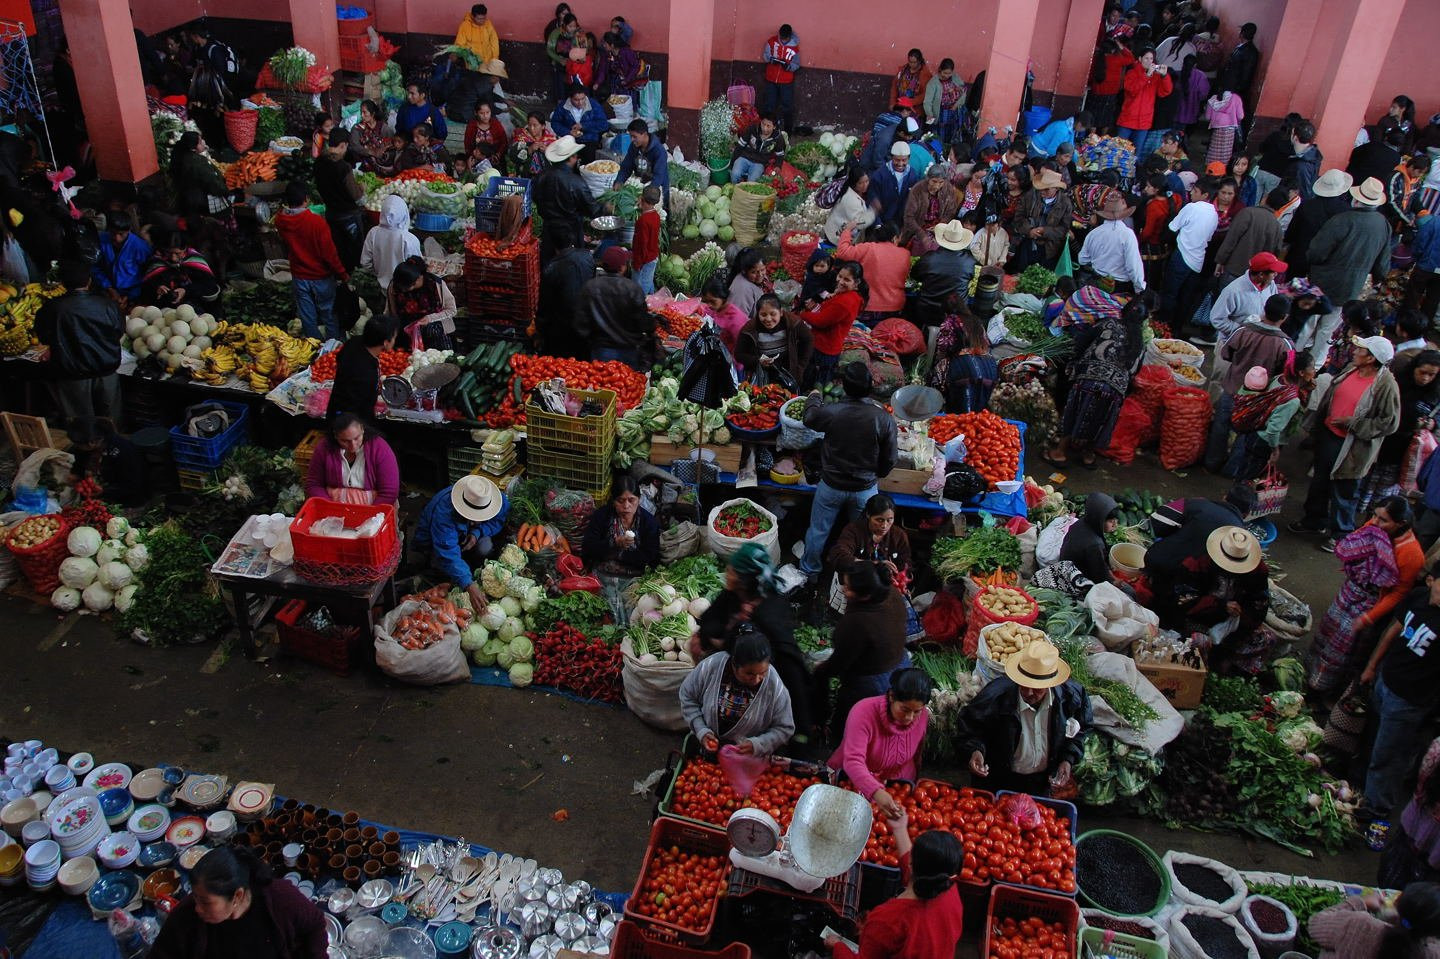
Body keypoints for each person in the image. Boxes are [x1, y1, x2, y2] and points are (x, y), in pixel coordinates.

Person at [693, 542, 813, 745]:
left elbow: (790, 669)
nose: (727, 572)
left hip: (758, 676)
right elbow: (710, 619)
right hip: (734, 665)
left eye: (732, 570)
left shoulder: (769, 614)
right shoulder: (733, 595)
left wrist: (801, 729)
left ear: (744, 580)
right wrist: (708, 638)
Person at [1292, 335, 1402, 547]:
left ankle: (1341, 533)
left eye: (1360, 350)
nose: (1354, 351)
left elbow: (1388, 423)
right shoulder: (1352, 369)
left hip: (1352, 447)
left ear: (1371, 359)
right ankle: (1314, 520)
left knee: (1345, 490)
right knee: (1319, 482)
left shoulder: (1386, 385)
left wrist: (1353, 423)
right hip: (1329, 436)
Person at [792, 362, 898, 579]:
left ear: (844, 386)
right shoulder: (883, 418)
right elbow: (890, 459)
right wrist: (877, 474)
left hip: (831, 485)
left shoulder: (833, 412)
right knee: (862, 535)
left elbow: (809, 418)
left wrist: (814, 397)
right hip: (864, 489)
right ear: (870, 388)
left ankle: (809, 572)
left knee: (818, 531)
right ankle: (857, 576)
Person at [1309, 497, 1424, 695]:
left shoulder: (1411, 554)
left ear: (1401, 523)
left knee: (1345, 651)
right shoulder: (1375, 528)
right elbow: (1356, 541)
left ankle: (1325, 689)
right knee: (1328, 631)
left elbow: (1398, 593)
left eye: (1383, 520)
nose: (1375, 522)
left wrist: (1369, 617)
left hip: (1370, 604)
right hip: (1350, 591)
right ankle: (1311, 672)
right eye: (1374, 515)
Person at [958, 644, 1092, 795]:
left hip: (1041, 782)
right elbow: (970, 726)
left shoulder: (1071, 697)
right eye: (1024, 685)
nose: (1029, 692)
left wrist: (1067, 758)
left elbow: (1083, 727)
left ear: (1050, 684)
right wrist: (975, 751)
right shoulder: (996, 696)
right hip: (998, 779)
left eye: (1037, 688)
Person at [829, 809, 964, 959]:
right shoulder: (951, 892)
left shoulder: (888, 920)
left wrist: (837, 946)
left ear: (912, 864)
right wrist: (899, 829)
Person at [1359, 571, 1440, 821]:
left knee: (1389, 755)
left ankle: (1376, 808)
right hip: (1386, 680)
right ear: (1431, 581)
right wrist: (1372, 666)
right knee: (1374, 738)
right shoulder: (1417, 597)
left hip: (1409, 701)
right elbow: (1394, 630)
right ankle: (1361, 784)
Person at [149, 846, 327, 959]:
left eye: (205, 902)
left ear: (237, 896)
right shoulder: (186, 916)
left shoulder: (281, 899)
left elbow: (315, 924)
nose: (197, 908)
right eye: (195, 897)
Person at [1047, 292, 1151, 469]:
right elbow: (1134, 371)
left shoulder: (1107, 324)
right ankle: (1088, 455)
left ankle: (1060, 452)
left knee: (1073, 410)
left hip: (1090, 379)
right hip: (1115, 389)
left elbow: (1081, 344)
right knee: (1101, 418)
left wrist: (1074, 365)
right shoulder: (1139, 343)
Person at [1303, 177, 1394, 368]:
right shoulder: (1383, 225)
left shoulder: (1342, 220)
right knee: (1328, 327)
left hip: (1322, 280)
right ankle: (1316, 363)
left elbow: (1317, 252)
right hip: (1351, 285)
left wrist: (1312, 262)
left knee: (1308, 321)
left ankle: (1293, 356)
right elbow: (1383, 261)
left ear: (1357, 200)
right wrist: (1378, 279)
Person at [830, 668, 933, 819]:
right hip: (851, 780)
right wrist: (876, 791)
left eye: (916, 711)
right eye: (904, 709)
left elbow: (916, 755)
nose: (910, 717)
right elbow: (853, 760)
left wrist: (909, 785)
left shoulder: (922, 716)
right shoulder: (863, 712)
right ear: (891, 696)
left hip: (895, 786)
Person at [679, 631, 795, 757]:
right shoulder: (712, 666)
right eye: (749, 673)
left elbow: (784, 728)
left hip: (747, 760)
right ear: (734, 665)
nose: (757, 679)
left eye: (763, 672)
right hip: (708, 750)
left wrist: (759, 744)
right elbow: (687, 695)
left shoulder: (774, 685)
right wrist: (701, 729)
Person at [36, 260, 124, 426]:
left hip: (72, 375)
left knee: (81, 426)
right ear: (89, 281)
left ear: (62, 283)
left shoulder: (51, 308)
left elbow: (44, 336)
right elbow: (118, 331)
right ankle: (110, 450)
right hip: (106, 372)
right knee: (111, 424)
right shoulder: (108, 305)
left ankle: (84, 451)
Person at [414, 475, 509, 612]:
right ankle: (454, 568)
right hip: (434, 542)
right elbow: (447, 553)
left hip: (465, 533)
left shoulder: (491, 499)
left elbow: (499, 519)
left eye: (481, 516)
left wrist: (476, 533)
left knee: (485, 547)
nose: (476, 521)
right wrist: (468, 585)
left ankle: (465, 566)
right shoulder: (444, 514)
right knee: (444, 572)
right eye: (473, 516)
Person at [275, 183, 348, 341]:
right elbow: (330, 254)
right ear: (306, 199)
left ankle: (313, 346)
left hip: (300, 276)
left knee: (307, 316)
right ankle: (332, 348)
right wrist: (343, 274)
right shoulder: (316, 223)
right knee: (329, 313)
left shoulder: (281, 220)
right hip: (321, 276)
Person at [581, 475, 660, 619]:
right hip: (604, 575)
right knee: (603, 614)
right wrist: (614, 543)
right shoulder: (602, 516)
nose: (626, 506)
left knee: (634, 614)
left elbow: (651, 557)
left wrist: (620, 554)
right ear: (613, 501)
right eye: (620, 501)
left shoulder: (649, 523)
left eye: (632, 500)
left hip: (635, 578)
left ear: (639, 499)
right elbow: (588, 547)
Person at [1162, 176, 1219, 337]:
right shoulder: (1214, 215)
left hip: (1181, 256)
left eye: (1195, 191)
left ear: (1205, 195)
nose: (1191, 194)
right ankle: (1177, 328)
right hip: (1198, 261)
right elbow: (1208, 238)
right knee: (1186, 296)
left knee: (1170, 292)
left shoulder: (1191, 208)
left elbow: (1173, 227)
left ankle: (1163, 325)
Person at [304, 412, 400, 507]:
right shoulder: (324, 448)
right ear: (336, 436)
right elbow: (314, 484)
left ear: (362, 429)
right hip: (332, 507)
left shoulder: (379, 447)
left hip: (373, 509)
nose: (353, 445)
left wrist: (371, 514)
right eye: (345, 441)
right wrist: (330, 508)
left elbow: (389, 491)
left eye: (357, 438)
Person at [796, 261, 867, 389]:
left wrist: (803, 315)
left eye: (847, 279)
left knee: (815, 384)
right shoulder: (851, 296)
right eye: (840, 276)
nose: (840, 281)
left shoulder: (845, 302)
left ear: (856, 283)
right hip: (829, 345)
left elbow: (822, 321)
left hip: (824, 348)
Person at [581, 246, 653, 367]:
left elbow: (581, 322)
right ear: (622, 267)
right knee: (626, 382)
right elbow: (643, 321)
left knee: (602, 383)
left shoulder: (590, 287)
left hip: (600, 350)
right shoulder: (632, 288)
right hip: (628, 350)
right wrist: (651, 330)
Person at [534, 135, 599, 262]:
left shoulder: (541, 177)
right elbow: (592, 209)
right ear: (572, 158)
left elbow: (536, 198)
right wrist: (605, 207)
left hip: (549, 230)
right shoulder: (576, 182)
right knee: (571, 265)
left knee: (549, 264)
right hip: (571, 233)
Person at [1383, 744, 1440, 885]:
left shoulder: (1437, 749)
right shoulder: (1437, 750)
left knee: (1396, 881)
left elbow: (1421, 785)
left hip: (1415, 827)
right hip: (1418, 830)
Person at [1205, 251, 1286, 347]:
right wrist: (1242, 332)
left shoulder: (1271, 285)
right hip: (1231, 345)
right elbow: (1217, 319)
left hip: (1254, 344)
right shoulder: (1234, 291)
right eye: (1273, 272)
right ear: (1261, 275)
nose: (1276, 274)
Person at [325, 314, 395, 423]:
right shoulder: (366, 374)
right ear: (386, 343)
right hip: (348, 424)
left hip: (335, 408)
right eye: (394, 337)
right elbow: (359, 408)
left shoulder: (354, 342)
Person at [931, 302, 998, 412]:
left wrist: (936, 365)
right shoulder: (977, 321)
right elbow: (986, 343)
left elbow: (942, 349)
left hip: (963, 367)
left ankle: (948, 410)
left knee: (939, 372)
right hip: (988, 366)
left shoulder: (949, 322)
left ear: (945, 313)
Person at [314, 129, 365, 271]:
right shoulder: (343, 167)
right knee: (354, 250)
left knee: (339, 248)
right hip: (348, 215)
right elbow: (356, 195)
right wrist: (361, 187)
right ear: (343, 145)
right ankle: (355, 277)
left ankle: (341, 275)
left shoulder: (319, 162)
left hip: (331, 213)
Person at [836, 221, 909, 322]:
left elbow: (842, 252)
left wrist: (847, 230)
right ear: (894, 238)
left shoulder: (868, 248)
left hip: (867, 308)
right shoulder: (905, 254)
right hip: (895, 309)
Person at [735, 292, 812, 386]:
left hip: (789, 372)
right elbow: (739, 354)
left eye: (773, 314)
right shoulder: (749, 329)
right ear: (757, 315)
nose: (768, 319)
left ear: (781, 312)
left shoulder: (793, 323)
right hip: (763, 376)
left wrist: (800, 367)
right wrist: (758, 361)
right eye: (763, 315)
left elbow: (808, 340)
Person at [911, 221, 978, 328]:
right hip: (956, 313)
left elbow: (914, 275)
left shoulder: (929, 258)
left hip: (928, 310)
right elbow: (970, 278)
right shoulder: (969, 262)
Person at [1079, 193, 1145, 292]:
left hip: (1096, 283)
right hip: (1119, 287)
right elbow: (1134, 267)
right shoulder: (1127, 235)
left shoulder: (1093, 233)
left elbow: (1082, 259)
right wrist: (1139, 287)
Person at [387, 257, 457, 350]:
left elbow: (451, 310)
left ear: (420, 277)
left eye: (410, 286)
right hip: (407, 334)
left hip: (435, 333)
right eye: (402, 287)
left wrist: (429, 318)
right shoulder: (395, 286)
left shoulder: (436, 284)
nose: (404, 290)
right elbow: (392, 313)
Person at [1010, 168, 1074, 270]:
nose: (1042, 192)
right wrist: (1029, 231)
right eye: (1041, 189)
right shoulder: (1030, 196)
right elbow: (1018, 219)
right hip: (1027, 243)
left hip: (1049, 249)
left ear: (1056, 188)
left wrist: (1045, 231)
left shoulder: (1065, 203)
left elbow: (1064, 229)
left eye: (1046, 189)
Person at [168, 132, 230, 231]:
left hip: (188, 201)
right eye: (200, 142)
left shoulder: (180, 156)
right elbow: (212, 183)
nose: (203, 143)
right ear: (193, 147)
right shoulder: (197, 162)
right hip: (202, 202)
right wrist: (226, 192)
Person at [1116, 47, 1172, 157]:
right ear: (1140, 59)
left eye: (1151, 59)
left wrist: (1164, 76)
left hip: (1144, 121)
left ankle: (1132, 173)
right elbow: (1132, 90)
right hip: (1127, 119)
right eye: (1146, 58)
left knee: (1137, 153)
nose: (1149, 61)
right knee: (1119, 150)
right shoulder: (1132, 73)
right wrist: (1146, 76)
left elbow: (1165, 92)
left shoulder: (1156, 76)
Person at [360, 195, 422, 293]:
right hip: (405, 291)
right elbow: (417, 269)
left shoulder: (373, 232)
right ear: (404, 213)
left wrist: (379, 274)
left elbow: (365, 262)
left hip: (381, 289)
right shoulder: (409, 239)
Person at [140, 232, 219, 309]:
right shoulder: (156, 262)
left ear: (185, 249)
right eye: (169, 253)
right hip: (165, 310)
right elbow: (147, 286)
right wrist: (158, 287)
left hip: (195, 307)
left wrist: (186, 290)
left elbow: (209, 285)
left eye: (178, 253)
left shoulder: (195, 260)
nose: (173, 258)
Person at [1059, 492, 1120, 586]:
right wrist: (1114, 582)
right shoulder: (1094, 544)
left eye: (1116, 520)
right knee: (1128, 592)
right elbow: (1100, 576)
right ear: (1099, 519)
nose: (1115, 524)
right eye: (1111, 521)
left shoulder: (1082, 522)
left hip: (1066, 565)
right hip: (1076, 578)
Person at [93, 211, 151, 304]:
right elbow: (95, 267)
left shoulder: (140, 247)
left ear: (129, 231)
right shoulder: (101, 241)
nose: (117, 238)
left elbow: (147, 273)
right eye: (113, 233)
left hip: (133, 294)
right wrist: (109, 288)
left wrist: (130, 295)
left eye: (121, 234)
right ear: (108, 229)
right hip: (106, 291)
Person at [549, 84, 609, 160]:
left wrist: (583, 126)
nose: (580, 102)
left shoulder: (594, 105)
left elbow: (604, 124)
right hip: (569, 140)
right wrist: (568, 132)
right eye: (576, 100)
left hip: (589, 140)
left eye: (583, 99)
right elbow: (555, 123)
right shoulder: (563, 107)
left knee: (588, 164)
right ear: (570, 98)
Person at [869, 142, 920, 229]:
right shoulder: (879, 175)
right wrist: (878, 225)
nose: (900, 164)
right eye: (897, 160)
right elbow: (872, 200)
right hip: (883, 223)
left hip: (901, 223)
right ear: (892, 157)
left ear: (909, 158)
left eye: (904, 160)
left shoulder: (912, 175)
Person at [760, 24, 800, 134]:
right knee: (769, 105)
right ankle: (766, 129)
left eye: (785, 38)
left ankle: (787, 131)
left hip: (786, 81)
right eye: (781, 37)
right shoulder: (771, 42)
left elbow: (796, 64)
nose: (782, 39)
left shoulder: (795, 48)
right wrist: (770, 59)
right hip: (771, 79)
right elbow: (765, 56)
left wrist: (789, 67)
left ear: (789, 36)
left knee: (787, 106)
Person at [699, 276, 748, 363]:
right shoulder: (713, 309)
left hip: (730, 363)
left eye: (713, 301)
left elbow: (742, 350)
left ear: (723, 296)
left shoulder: (736, 319)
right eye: (707, 301)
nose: (709, 305)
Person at [616, 118, 668, 198]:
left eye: (634, 136)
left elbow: (658, 176)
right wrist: (619, 181)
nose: (632, 140)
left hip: (656, 190)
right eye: (630, 136)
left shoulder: (659, 151)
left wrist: (647, 195)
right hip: (642, 185)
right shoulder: (634, 147)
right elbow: (626, 167)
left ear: (644, 134)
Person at [823, 167, 876, 244]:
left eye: (867, 181)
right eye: (860, 183)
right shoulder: (852, 200)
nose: (865, 185)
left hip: (834, 229)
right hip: (836, 237)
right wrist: (873, 211)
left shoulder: (849, 189)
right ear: (854, 183)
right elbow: (859, 223)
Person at [731, 113, 787, 184]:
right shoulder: (752, 129)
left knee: (752, 182)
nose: (764, 128)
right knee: (735, 175)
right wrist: (733, 162)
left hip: (760, 163)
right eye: (763, 124)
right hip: (744, 158)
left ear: (774, 127)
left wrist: (778, 166)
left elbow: (780, 154)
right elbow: (740, 145)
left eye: (768, 126)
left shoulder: (778, 138)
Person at [594, 32, 643, 108]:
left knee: (627, 103)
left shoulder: (626, 52)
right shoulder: (607, 55)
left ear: (612, 45)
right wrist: (597, 83)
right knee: (616, 104)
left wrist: (627, 79)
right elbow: (602, 70)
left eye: (605, 44)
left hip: (629, 83)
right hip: (615, 83)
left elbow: (635, 66)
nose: (603, 45)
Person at [924, 58, 966, 147]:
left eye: (949, 73)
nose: (947, 75)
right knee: (940, 137)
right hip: (940, 114)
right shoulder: (933, 83)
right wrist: (930, 114)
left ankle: (950, 154)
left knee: (953, 135)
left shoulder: (955, 78)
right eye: (945, 73)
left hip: (954, 112)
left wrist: (956, 105)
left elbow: (963, 91)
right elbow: (927, 101)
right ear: (940, 70)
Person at [631, 185, 662, 295]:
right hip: (653, 255)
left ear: (642, 199)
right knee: (648, 279)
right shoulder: (656, 216)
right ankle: (652, 298)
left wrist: (637, 264)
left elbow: (642, 245)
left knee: (640, 286)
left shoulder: (643, 221)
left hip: (644, 259)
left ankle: (642, 305)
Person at [1410, 210, 1440, 320]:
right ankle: (1423, 329)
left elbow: (1420, 242)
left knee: (1413, 297)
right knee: (1433, 300)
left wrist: (1417, 258)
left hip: (1425, 267)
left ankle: (1406, 326)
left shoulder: (1434, 222)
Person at [512, 111, 558, 178]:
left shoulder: (551, 140)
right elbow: (512, 156)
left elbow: (559, 160)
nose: (531, 128)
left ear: (543, 126)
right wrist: (529, 150)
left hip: (547, 178)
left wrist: (548, 151)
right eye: (529, 125)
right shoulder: (521, 138)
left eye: (535, 125)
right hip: (526, 178)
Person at [545, 13, 580, 102]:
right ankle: (561, 104)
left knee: (574, 86)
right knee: (560, 86)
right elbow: (549, 50)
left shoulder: (578, 35)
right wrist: (559, 59)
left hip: (573, 65)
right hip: (559, 64)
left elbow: (581, 49)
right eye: (570, 26)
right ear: (564, 25)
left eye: (574, 26)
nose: (573, 29)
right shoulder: (556, 34)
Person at [728, 248, 768, 320]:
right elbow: (738, 321)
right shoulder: (743, 290)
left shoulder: (755, 280)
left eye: (762, 270)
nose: (760, 275)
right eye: (754, 272)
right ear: (744, 271)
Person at [352, 100, 392, 168]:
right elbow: (355, 147)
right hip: (362, 163)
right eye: (361, 112)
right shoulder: (357, 129)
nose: (362, 115)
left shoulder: (384, 129)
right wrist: (371, 152)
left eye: (364, 112)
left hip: (382, 163)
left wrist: (382, 151)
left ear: (373, 114)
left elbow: (391, 145)